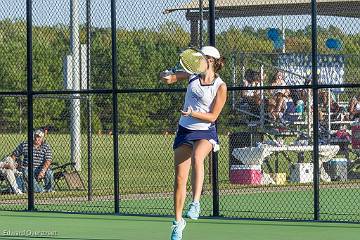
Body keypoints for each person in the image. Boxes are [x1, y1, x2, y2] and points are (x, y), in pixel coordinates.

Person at [160, 46, 227, 240]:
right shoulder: (191, 76)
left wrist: (192, 113)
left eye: (201, 58)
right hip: (185, 130)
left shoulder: (220, 86)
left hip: (205, 130)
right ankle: (178, 222)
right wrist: (165, 75)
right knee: (180, 179)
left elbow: (213, 116)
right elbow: (169, 78)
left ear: (211, 61)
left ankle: (196, 203)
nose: (196, 61)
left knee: (198, 158)